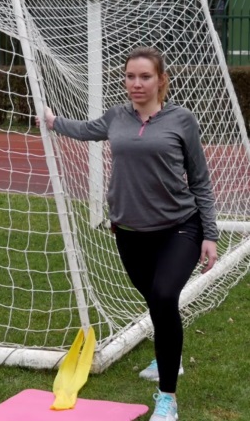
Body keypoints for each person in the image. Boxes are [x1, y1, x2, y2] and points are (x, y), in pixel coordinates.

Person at [36, 47, 218, 421]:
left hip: (180, 227)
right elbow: (87, 130)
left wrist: (210, 235)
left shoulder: (182, 120)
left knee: (165, 295)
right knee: (156, 302)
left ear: (160, 80)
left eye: (145, 77)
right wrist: (54, 121)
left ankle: (167, 397)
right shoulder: (116, 117)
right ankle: (170, 355)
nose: (137, 84)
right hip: (130, 231)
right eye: (131, 76)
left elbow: (199, 180)